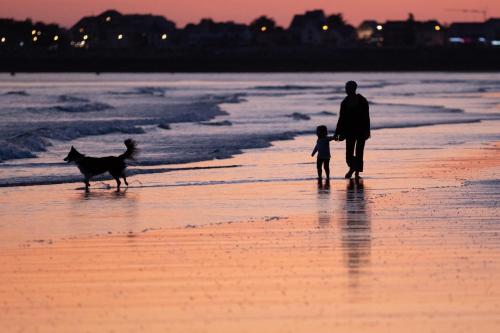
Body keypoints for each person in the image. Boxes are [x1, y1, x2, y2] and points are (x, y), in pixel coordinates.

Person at [334, 81, 370, 179]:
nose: (346, 90)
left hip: (361, 130)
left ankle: (356, 173)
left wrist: (368, 131)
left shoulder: (362, 100)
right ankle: (353, 168)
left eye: (348, 88)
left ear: (353, 88)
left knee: (359, 152)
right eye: (346, 88)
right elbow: (341, 119)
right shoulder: (344, 102)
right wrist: (337, 133)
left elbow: (366, 117)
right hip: (349, 131)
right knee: (349, 155)